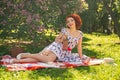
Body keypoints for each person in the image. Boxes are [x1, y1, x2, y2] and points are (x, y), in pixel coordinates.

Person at [9, 14, 90, 64]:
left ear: (76, 21)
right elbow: (56, 40)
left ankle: (18, 60)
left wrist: (81, 57)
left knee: (39, 59)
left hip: (65, 53)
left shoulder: (80, 34)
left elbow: (79, 47)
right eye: (68, 22)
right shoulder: (65, 30)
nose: (70, 23)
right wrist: (61, 40)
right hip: (56, 47)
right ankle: (25, 55)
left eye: (72, 20)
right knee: (48, 59)